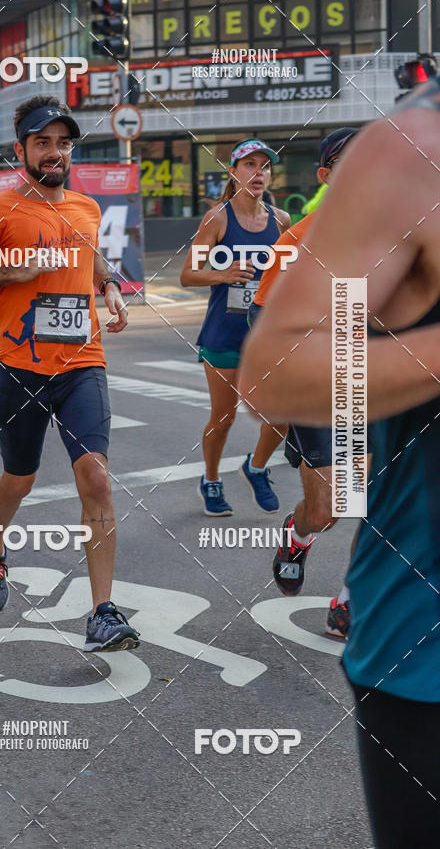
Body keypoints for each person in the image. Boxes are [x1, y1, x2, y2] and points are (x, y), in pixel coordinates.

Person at [239, 79, 440, 845]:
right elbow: (277, 361)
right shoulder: (391, 174)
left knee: (337, 501)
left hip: (364, 403)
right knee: (324, 504)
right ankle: (299, 535)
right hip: (425, 636)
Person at [0, 95, 140, 653]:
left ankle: (102, 612)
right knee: (19, 480)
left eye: (62, 142)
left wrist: (109, 288)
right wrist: (12, 270)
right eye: (42, 142)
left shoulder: (85, 208)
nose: (54, 152)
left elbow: (90, 253)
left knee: (96, 478)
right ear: (22, 150)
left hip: (82, 361)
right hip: (20, 367)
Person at [245, 128, 361, 638]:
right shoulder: (296, 241)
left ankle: (350, 602)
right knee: (328, 509)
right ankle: (297, 534)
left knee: (373, 501)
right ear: (325, 175)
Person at [180, 139, 290, 515]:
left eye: (265, 166)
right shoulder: (217, 218)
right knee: (223, 417)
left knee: (281, 417)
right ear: (233, 172)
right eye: (250, 165)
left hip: (266, 336)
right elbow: (187, 274)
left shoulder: (281, 221)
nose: (258, 173)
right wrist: (222, 274)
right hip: (224, 334)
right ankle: (210, 480)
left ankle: (255, 467)